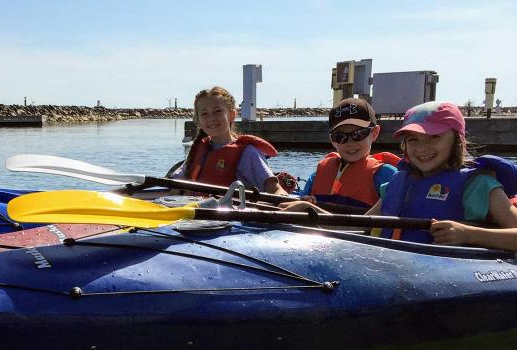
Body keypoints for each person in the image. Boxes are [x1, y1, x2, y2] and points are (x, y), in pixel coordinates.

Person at [283, 101, 517, 251]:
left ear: (456, 140)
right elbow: (362, 226)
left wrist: (469, 234)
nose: (421, 148)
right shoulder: (399, 181)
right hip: (394, 270)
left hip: (446, 276)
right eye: (413, 139)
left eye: (434, 137)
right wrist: (308, 212)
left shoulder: (478, 185)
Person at [173, 86, 289, 195]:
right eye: (204, 113)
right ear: (198, 121)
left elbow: (275, 189)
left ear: (232, 115)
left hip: (232, 213)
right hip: (195, 211)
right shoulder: (196, 151)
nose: (211, 117)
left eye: (217, 111)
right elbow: (175, 187)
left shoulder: (248, 153)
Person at [299, 98, 399, 209]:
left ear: (374, 133)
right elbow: (302, 199)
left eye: (358, 134)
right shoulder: (317, 174)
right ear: (333, 140)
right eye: (340, 137)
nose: (350, 142)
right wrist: (306, 201)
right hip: (317, 225)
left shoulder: (387, 175)